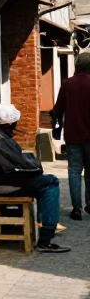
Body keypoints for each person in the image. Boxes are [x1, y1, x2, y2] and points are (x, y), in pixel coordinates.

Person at [0, 103, 70, 253]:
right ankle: (46, 237)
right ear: (10, 123)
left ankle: (41, 225)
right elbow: (18, 162)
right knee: (50, 182)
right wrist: (36, 168)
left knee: (42, 182)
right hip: (2, 183)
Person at [52, 51, 90, 221]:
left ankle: (76, 208)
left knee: (74, 170)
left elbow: (58, 109)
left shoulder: (67, 84)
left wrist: (55, 122)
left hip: (73, 135)